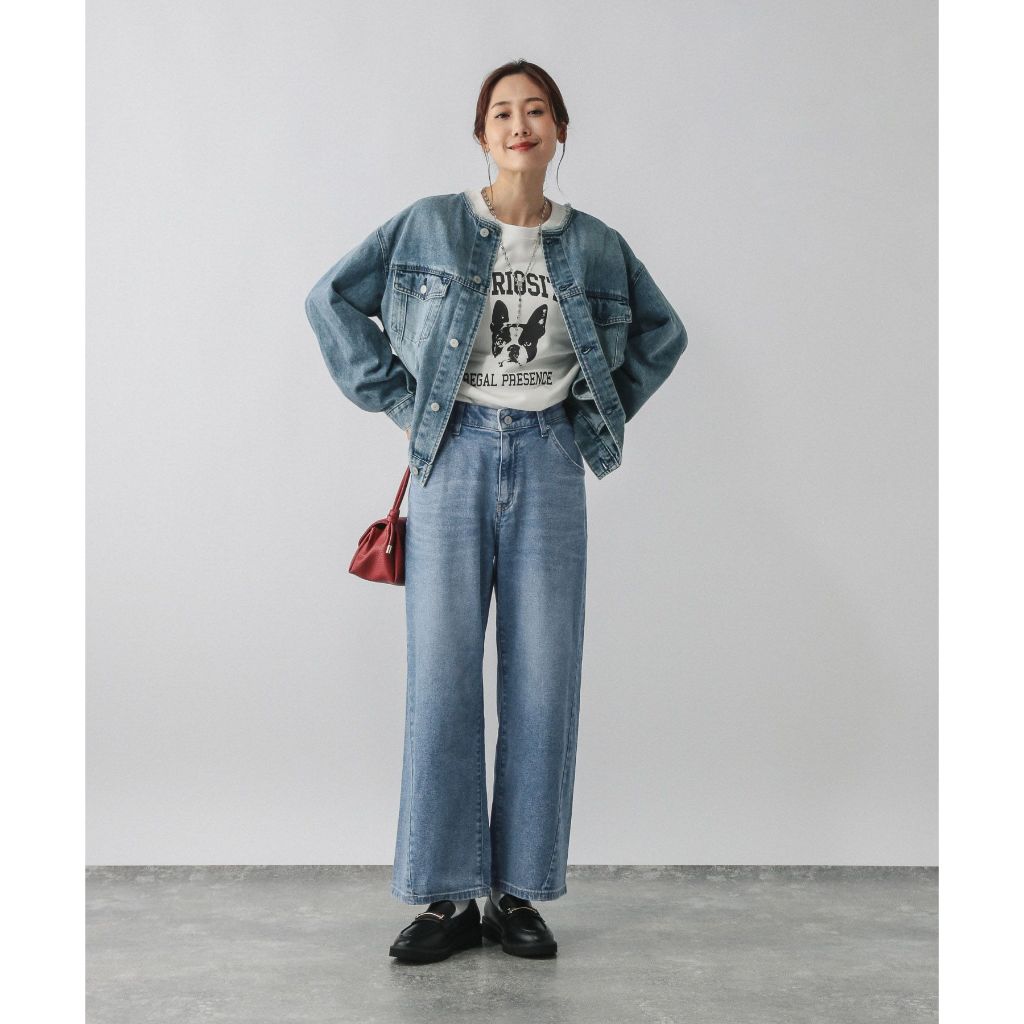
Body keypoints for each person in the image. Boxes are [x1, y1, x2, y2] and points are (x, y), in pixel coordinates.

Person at [304, 59, 688, 963]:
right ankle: (447, 899)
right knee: (442, 676)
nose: (520, 125)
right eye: (503, 112)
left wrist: (591, 419)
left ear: (559, 131)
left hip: (550, 458)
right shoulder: (428, 225)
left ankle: (517, 894)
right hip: (452, 454)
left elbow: (664, 332)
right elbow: (330, 301)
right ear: (482, 134)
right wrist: (405, 403)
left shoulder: (595, 245)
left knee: (544, 677)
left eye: (537, 110)